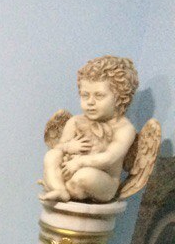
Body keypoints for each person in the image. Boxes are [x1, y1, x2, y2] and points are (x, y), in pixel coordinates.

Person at [40, 56, 138, 203]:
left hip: (102, 182)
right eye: (85, 95)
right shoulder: (75, 122)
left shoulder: (124, 128)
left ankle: (63, 185)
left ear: (119, 98)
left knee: (84, 176)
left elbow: (109, 158)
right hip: (69, 172)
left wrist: (80, 162)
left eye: (99, 96)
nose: (90, 102)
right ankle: (59, 190)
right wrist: (68, 147)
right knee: (51, 155)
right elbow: (58, 148)